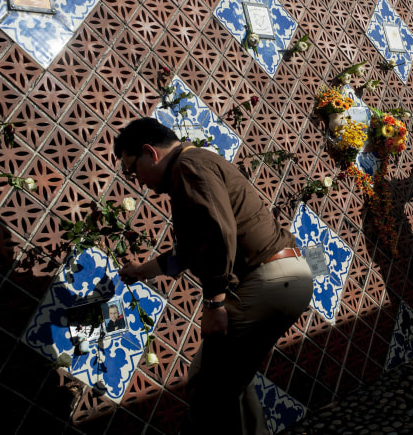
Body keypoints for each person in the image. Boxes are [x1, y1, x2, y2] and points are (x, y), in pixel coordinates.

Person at [114, 118, 314, 434]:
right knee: (231, 382)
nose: (137, 181)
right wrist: (143, 271)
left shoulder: (187, 165)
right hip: (289, 277)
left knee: (206, 382)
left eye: (131, 170)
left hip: (267, 279)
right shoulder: (199, 162)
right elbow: (195, 248)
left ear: (150, 152)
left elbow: (218, 232)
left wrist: (214, 304)